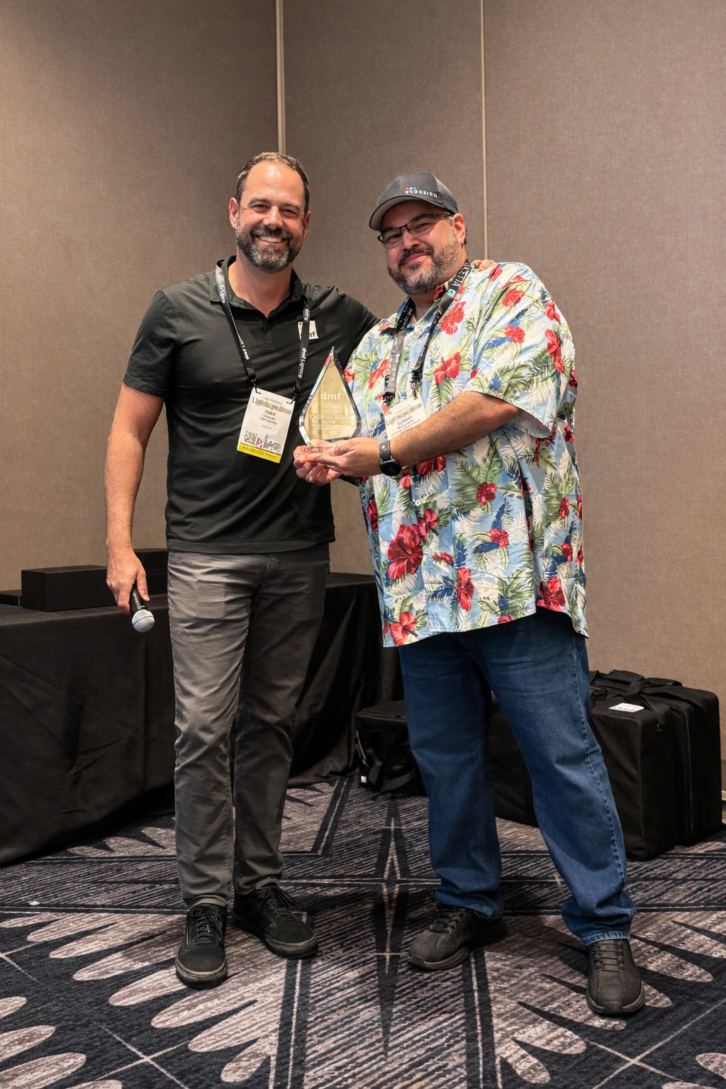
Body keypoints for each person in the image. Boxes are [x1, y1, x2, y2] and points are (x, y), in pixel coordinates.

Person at [294, 172, 644, 1016]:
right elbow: (362, 449)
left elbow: (494, 402)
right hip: (421, 591)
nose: (406, 242)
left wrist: (380, 453)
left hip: (514, 581)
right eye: (391, 233)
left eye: (421, 223)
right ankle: (469, 899)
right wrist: (329, 457)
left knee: (560, 755)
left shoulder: (509, 292)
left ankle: (604, 923)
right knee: (446, 760)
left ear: (458, 226)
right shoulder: (377, 346)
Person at [105, 152, 377, 989]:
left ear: (306, 223)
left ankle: (258, 883)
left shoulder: (339, 317)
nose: (273, 221)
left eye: (288, 210)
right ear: (233, 212)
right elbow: (129, 429)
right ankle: (204, 900)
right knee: (202, 729)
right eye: (260, 205)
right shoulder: (177, 309)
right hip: (206, 555)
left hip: (299, 554)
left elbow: (391, 396)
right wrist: (119, 543)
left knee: (270, 725)